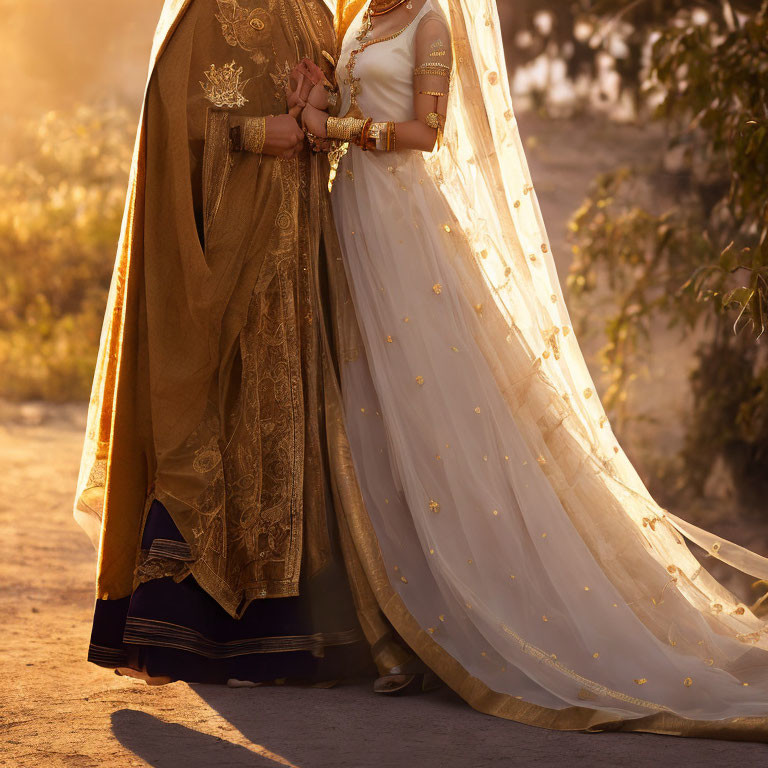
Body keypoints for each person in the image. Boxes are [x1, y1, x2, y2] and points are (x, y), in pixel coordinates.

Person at [292, 0, 768, 741]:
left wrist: (340, 131)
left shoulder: (429, 21)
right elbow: (343, 99)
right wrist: (314, 104)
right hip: (352, 213)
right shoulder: (358, 15)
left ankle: (459, 620)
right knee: (367, 411)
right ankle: (393, 628)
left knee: (434, 417)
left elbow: (426, 132)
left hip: (403, 221)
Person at [73, 0, 415, 686]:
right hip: (224, 271)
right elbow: (173, 127)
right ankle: (187, 628)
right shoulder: (201, 16)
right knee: (213, 416)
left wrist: (323, 115)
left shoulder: (313, 15)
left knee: (290, 427)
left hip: (298, 266)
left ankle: (289, 636)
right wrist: (257, 133)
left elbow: (338, 110)